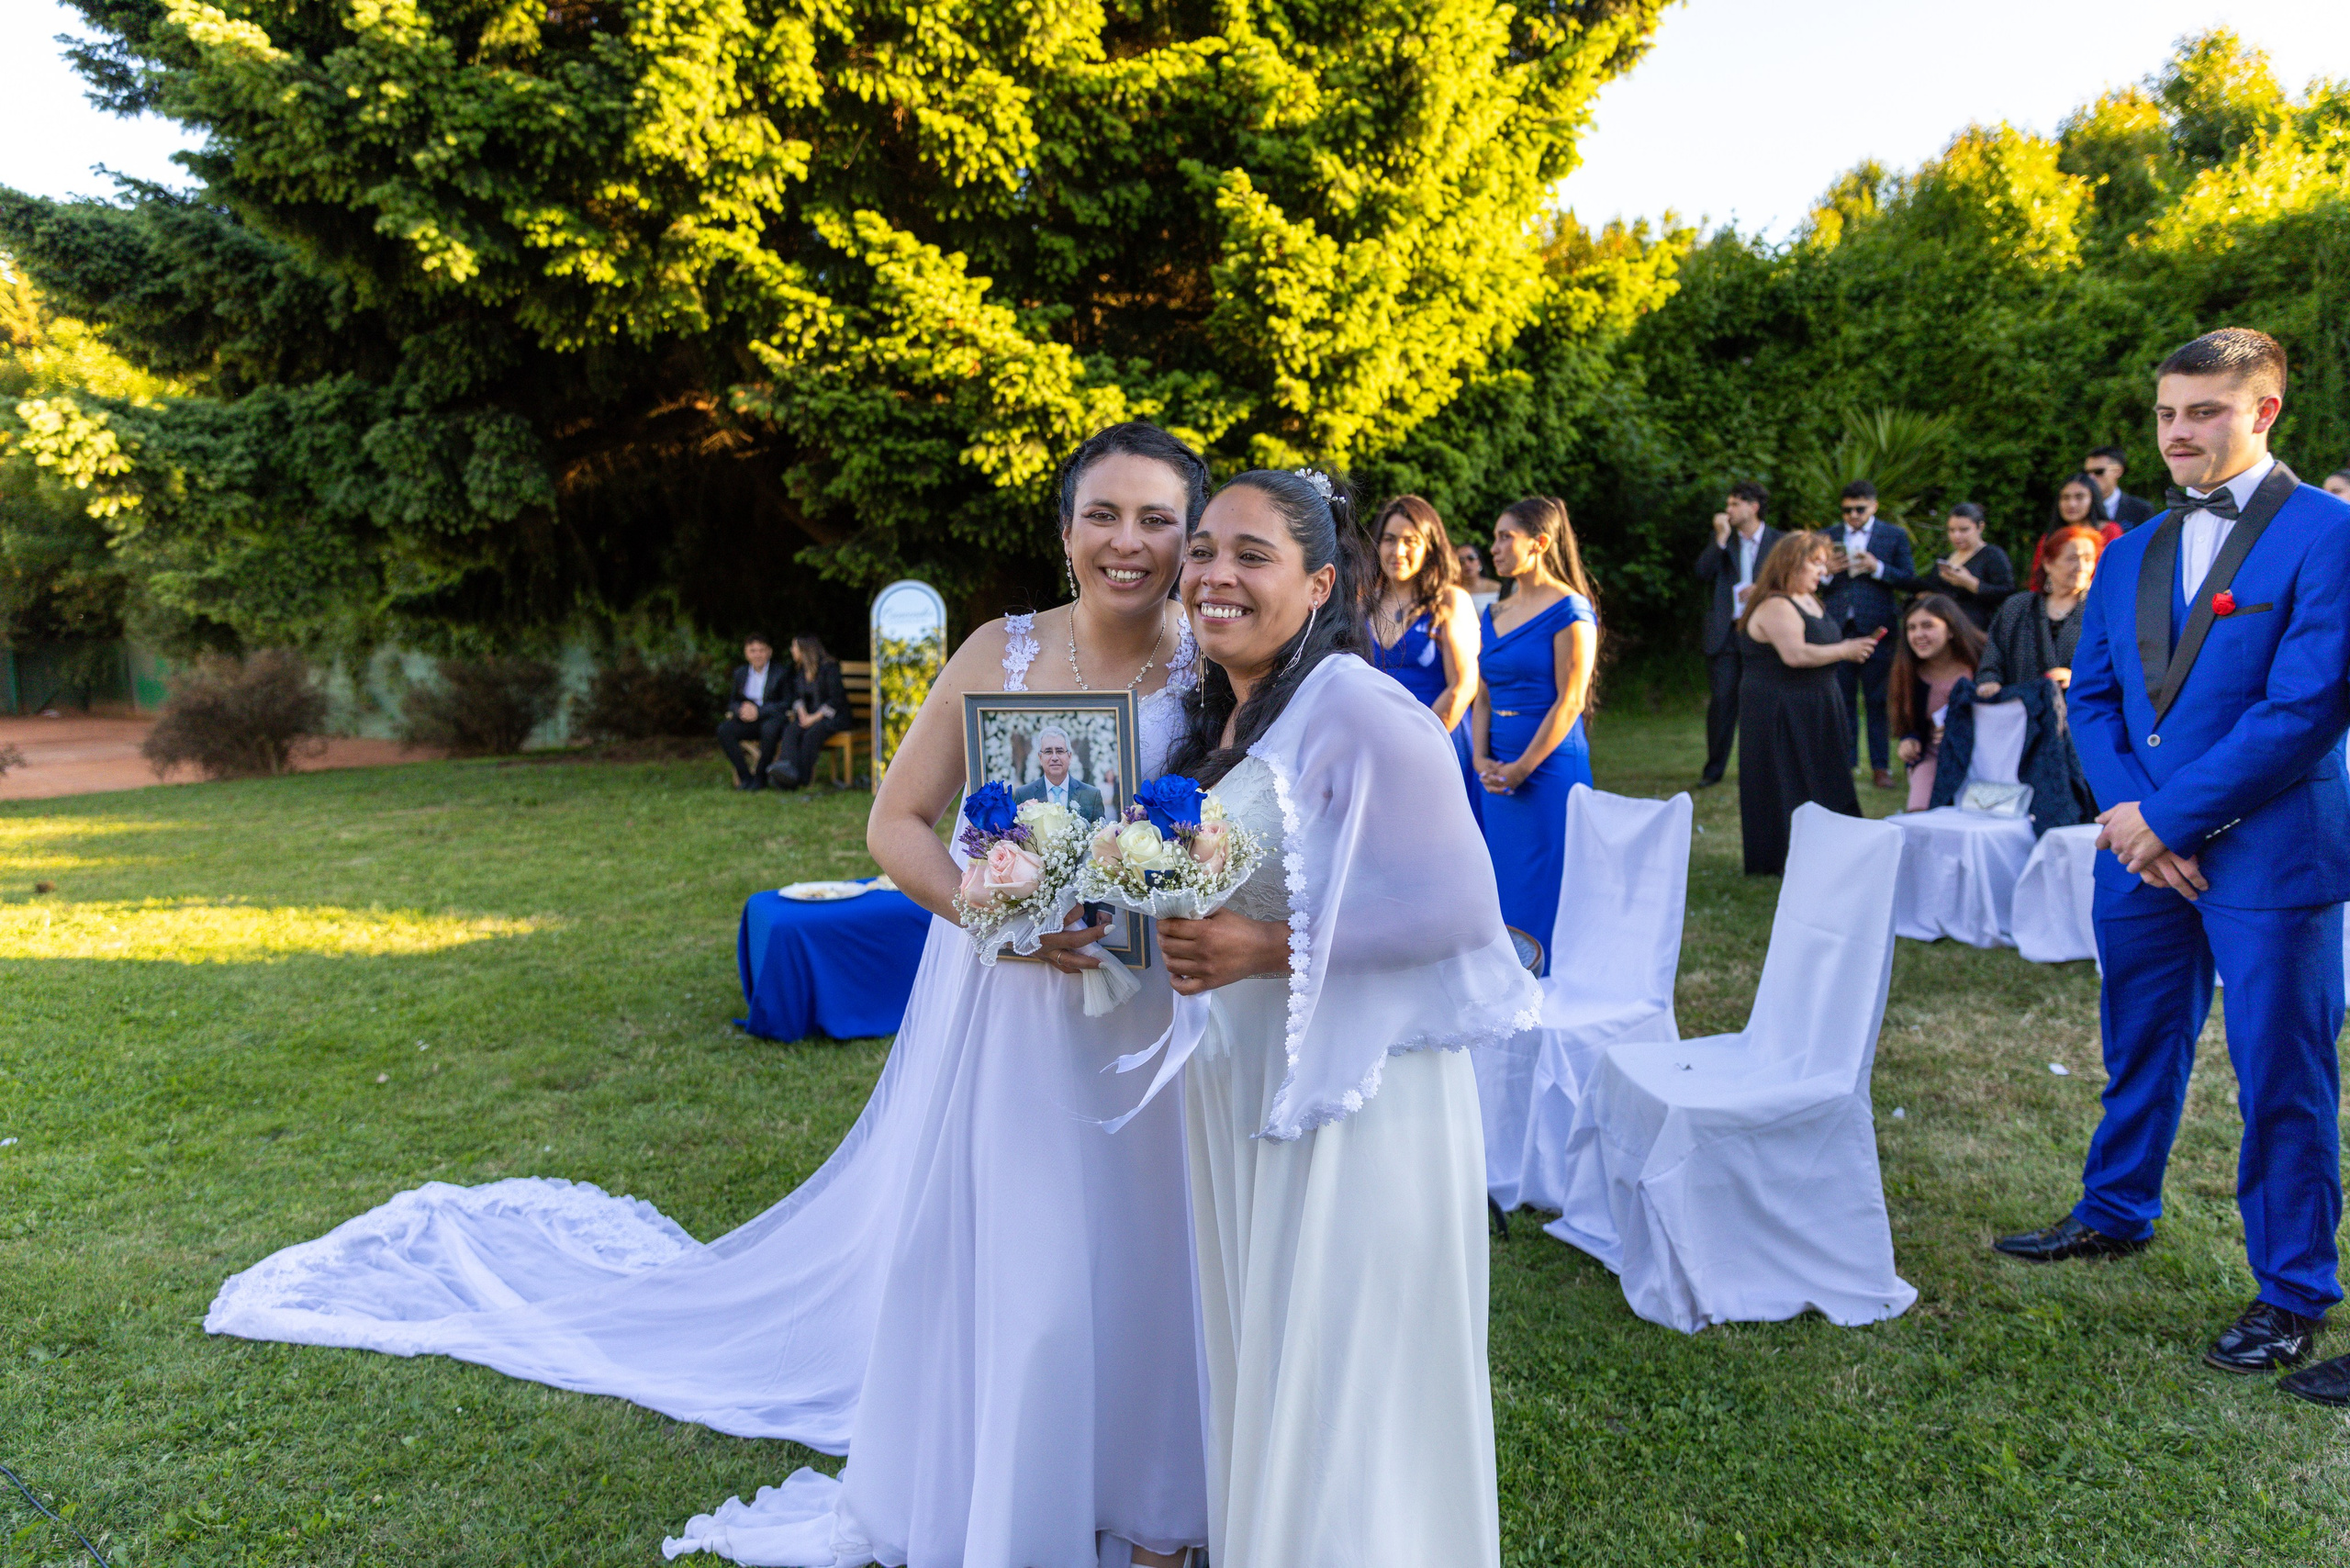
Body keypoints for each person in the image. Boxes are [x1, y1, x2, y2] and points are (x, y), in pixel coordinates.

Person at [204, 421, 1217, 1568]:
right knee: (1033, 1261)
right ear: (1065, 528)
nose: (1126, 543)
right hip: (1018, 1010)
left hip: (1161, 1007)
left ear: (1190, 534)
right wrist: (1005, 919)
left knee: (1152, 1251)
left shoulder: (1218, 657)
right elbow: (892, 824)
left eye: (1154, 519)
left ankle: (1156, 1510)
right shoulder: (1001, 652)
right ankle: (1009, 1497)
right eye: (1102, 515)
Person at [1151, 466, 1539, 1568]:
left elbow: (1462, 911)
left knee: (1342, 1369)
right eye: (1206, 548)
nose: (1215, 573)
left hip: (1355, 1103)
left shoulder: (1358, 705)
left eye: (1251, 554)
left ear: (1321, 583)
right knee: (1274, 1357)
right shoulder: (1227, 712)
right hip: (1252, 1081)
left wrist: (1259, 947)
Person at [1991, 329, 2350, 1410]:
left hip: (2272, 852)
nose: (2179, 432)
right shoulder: (2134, 545)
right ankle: (2114, 1208)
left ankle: (2291, 1292)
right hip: (2141, 852)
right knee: (2136, 1038)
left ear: (2264, 410)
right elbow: (2090, 698)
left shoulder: (2330, 533)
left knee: (2281, 1072)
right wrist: (2132, 820)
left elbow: (2305, 708)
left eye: (2203, 411)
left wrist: (2169, 822)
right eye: (2165, 413)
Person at [1473, 496, 1599, 969]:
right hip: (1495, 772)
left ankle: (1553, 985)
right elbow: (1482, 697)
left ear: (1540, 543)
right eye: (1495, 537)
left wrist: (1523, 768)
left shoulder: (1570, 608)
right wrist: (1482, 760)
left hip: (1548, 770)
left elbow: (1571, 700)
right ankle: (1508, 987)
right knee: (1501, 881)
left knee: (1552, 884)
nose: (1495, 547)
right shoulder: (1494, 613)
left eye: (1506, 536)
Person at [1735, 531, 1875, 875]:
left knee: (1825, 773)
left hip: (1815, 702)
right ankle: (1784, 856)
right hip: (1780, 707)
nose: (1821, 570)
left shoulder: (1811, 599)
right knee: (1788, 777)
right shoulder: (1775, 604)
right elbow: (1795, 655)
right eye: (1815, 563)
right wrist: (1845, 650)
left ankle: (1833, 848)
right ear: (1790, 565)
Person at [1366, 494, 1481, 809]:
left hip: (1438, 741)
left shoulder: (1449, 601)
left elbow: (1464, 684)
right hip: (1375, 750)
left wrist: (1418, 745)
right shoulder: (1361, 604)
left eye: (1411, 541)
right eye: (1389, 539)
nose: (1398, 551)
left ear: (1430, 545)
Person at [1818, 480, 1915, 789]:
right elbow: (1812, 582)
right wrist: (1826, 573)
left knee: (1877, 700)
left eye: (1859, 509)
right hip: (1838, 629)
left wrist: (1878, 568)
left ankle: (1880, 766)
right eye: (1847, 510)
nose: (1853, 515)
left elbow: (1909, 579)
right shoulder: (1829, 536)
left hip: (1877, 629)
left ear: (1874, 506)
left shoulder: (1894, 535)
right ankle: (1845, 765)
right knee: (1841, 699)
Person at [1694, 479, 1783, 787]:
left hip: (1765, 634)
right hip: (1727, 634)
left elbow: (1792, 582)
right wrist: (1719, 538)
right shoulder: (1724, 540)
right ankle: (1713, 770)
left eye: (1734, 504)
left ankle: (1760, 770)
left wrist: (1763, 589)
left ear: (1753, 507)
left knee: (1762, 702)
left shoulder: (1778, 541)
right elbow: (1702, 573)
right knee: (1722, 701)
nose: (1728, 509)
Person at [1976, 525, 2102, 701]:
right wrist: (1990, 681)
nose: (2081, 567)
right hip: (2021, 713)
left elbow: (2115, 664)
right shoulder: (2017, 607)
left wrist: (2076, 678)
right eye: (2072, 558)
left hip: (2079, 713)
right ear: (2048, 563)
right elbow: (1993, 655)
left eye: (2088, 559)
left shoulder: (2101, 611)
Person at [1888, 593, 1986, 811]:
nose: (1918, 635)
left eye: (1927, 626)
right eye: (1911, 628)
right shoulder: (1909, 673)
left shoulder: (1982, 663)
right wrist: (1909, 740)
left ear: (1951, 629)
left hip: (1983, 756)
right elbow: (1909, 725)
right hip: (1934, 757)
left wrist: (1961, 729)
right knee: (1919, 815)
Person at [1886, 502, 2014, 631]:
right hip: (1942, 627)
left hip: (1974, 629)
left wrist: (1970, 583)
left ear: (1980, 527)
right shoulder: (1946, 558)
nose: (1956, 536)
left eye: (1964, 530)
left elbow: (2006, 592)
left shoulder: (1992, 555)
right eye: (1951, 530)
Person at [766, 633, 851, 789]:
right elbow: (797, 697)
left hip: (834, 717)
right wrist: (803, 713)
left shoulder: (829, 669)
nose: (792, 650)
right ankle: (787, 770)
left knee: (812, 733)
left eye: (794, 647)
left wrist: (813, 718)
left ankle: (802, 779)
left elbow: (836, 700)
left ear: (805, 649)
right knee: (791, 730)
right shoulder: (800, 671)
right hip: (810, 716)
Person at [717, 633, 793, 790]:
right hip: (748, 720)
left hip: (772, 719)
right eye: (753, 650)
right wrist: (740, 710)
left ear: (769, 652)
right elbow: (732, 702)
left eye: (761, 650)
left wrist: (759, 711)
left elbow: (786, 703)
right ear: (746, 653)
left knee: (769, 730)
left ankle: (760, 777)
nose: (757, 654)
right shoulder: (740, 673)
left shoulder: (781, 672)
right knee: (724, 730)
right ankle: (745, 777)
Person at [2027, 471, 2118, 588]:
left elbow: (2115, 577)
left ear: (2093, 499)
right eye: (2065, 498)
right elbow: (2037, 581)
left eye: (2079, 497)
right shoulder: (2050, 537)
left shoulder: (2109, 532)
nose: (2072, 504)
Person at [1009, 725, 1107, 821]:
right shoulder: (1024, 794)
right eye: (1048, 752)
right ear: (1040, 758)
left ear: (1069, 756)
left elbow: (1101, 836)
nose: (1055, 758)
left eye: (1060, 751)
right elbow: (1016, 834)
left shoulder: (1091, 796)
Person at [2084, 445, 2158, 528]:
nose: (2091, 477)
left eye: (2098, 472)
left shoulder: (2141, 510)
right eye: (2087, 473)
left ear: (2118, 471)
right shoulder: (2079, 510)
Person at [1455, 542, 1504, 610]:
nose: (1466, 564)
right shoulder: (1453, 591)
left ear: (1479, 561)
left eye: (1471, 558)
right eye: (1461, 561)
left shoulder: (1497, 588)